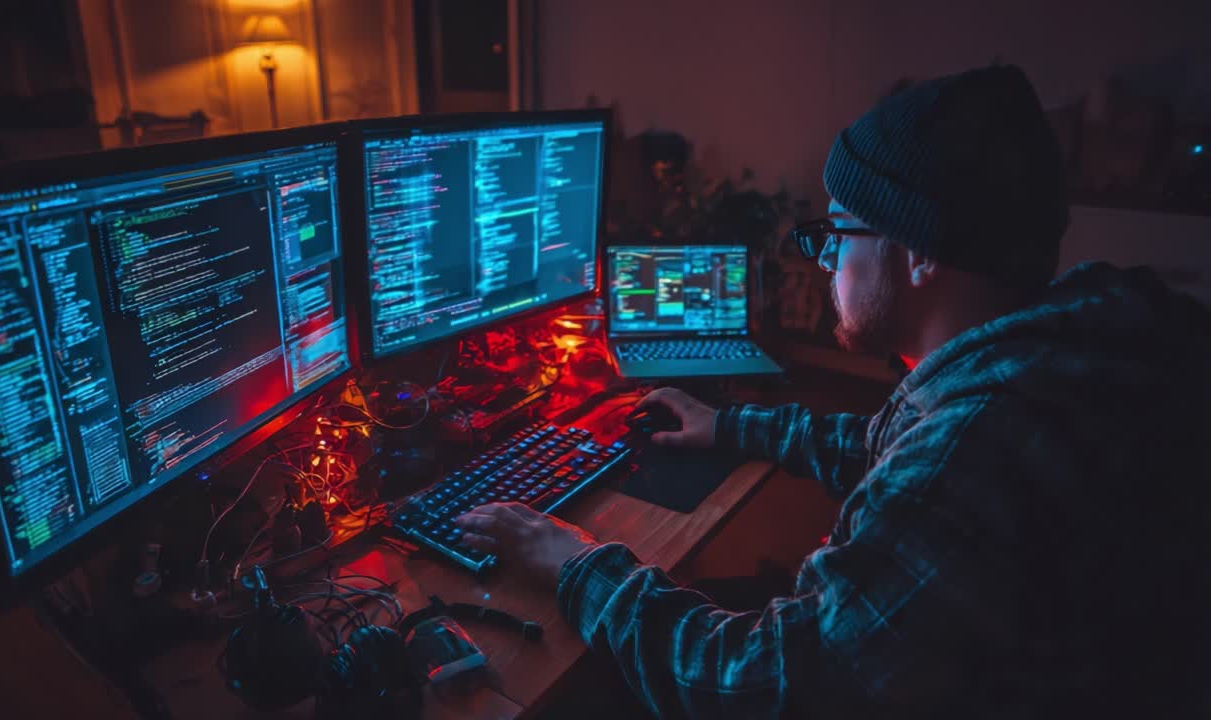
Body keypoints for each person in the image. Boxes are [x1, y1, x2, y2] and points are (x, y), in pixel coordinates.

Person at [457, 65, 1211, 718]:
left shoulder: (975, 449)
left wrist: (573, 558)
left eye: (838, 232)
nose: (822, 262)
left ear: (918, 254)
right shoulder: (1053, 349)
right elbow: (895, 446)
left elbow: (757, 687)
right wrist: (732, 428)